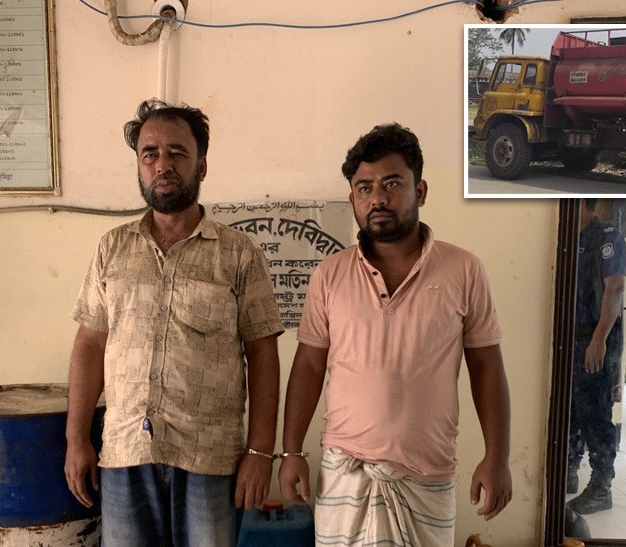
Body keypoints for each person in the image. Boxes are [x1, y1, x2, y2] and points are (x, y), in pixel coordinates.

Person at [278, 123, 513, 546]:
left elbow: (487, 369)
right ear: (353, 199)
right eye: (364, 188)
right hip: (345, 474)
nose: (378, 198)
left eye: (392, 183)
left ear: (420, 191)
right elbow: (309, 366)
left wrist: (497, 458)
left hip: (427, 478)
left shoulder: (464, 270)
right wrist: (292, 451)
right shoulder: (330, 275)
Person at [64, 99, 284, 547]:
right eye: (150, 154)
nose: (162, 164)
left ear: (201, 166)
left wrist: (261, 452)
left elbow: (263, 353)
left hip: (210, 458)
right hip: (125, 452)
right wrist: (76, 438)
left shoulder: (238, 254)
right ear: (139, 166)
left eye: (177, 153)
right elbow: (89, 345)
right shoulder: (112, 248)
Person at [566, 198, 626, 515]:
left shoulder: (606, 237)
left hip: (595, 337)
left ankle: (602, 487)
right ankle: (569, 470)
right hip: (572, 338)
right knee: (571, 408)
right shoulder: (567, 237)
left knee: (595, 411)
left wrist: (599, 339)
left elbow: (614, 288)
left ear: (582, 204)